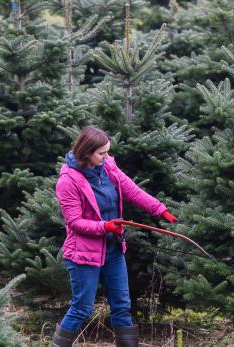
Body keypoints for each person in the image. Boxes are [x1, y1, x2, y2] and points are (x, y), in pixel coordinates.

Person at [52, 126, 177, 347]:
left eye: (107, 152)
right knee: (81, 308)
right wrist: (106, 227)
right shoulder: (68, 181)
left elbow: (133, 191)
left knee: (121, 305)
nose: (106, 157)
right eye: (101, 153)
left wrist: (160, 210)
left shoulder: (108, 167)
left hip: (113, 250)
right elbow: (74, 222)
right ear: (87, 152)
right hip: (83, 254)